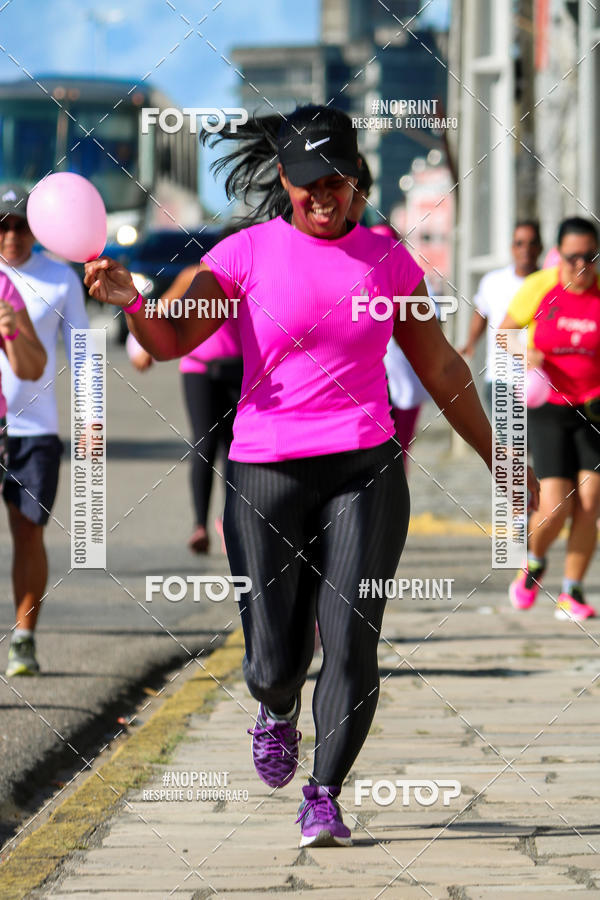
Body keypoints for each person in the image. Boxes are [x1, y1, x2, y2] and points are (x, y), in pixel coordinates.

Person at [84, 105, 539, 847]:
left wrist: (505, 461)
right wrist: (131, 301)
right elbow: (171, 339)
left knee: (352, 639)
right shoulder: (243, 255)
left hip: (365, 470)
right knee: (272, 663)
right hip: (266, 473)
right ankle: (277, 706)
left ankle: (323, 795)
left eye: (335, 181)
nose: (322, 196)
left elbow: (443, 370)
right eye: (307, 183)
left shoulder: (390, 262)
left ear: (358, 179)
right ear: (285, 181)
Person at [0, 183, 89, 677]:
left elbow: (83, 352)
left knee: (28, 531)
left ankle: (24, 639)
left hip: (35, 429)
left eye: (21, 225)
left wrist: (90, 420)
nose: (12, 235)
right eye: (3, 225)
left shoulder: (59, 278)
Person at [501, 217, 600, 621]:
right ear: (558, 255)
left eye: (590, 256)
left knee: (591, 501)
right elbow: (504, 334)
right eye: (573, 256)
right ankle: (535, 560)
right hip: (548, 409)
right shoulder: (540, 288)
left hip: (593, 410)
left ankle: (571, 591)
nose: (582, 265)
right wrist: (527, 354)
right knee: (556, 503)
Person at [126, 261, 242, 553]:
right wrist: (144, 349)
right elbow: (158, 311)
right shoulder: (193, 276)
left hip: (238, 370)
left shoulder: (248, 276)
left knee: (235, 449)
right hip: (199, 370)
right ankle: (199, 525)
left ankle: (230, 522)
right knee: (204, 443)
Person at [460, 222, 542, 410]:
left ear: (540, 247)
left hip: (539, 381)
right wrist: (470, 343)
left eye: (532, 243)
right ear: (512, 247)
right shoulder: (493, 282)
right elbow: (482, 313)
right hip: (502, 380)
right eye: (519, 243)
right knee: (509, 431)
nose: (526, 249)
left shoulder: (549, 284)